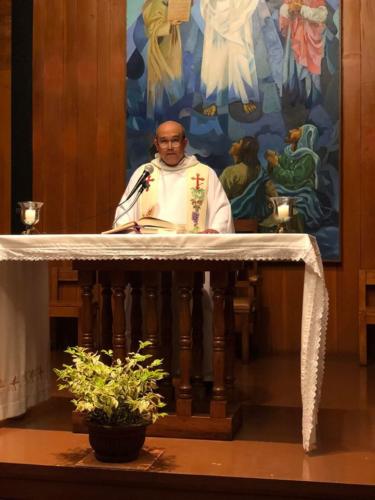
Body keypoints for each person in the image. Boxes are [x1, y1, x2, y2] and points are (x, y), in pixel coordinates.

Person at [115, 121, 234, 233]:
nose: (170, 147)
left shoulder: (205, 173)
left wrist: (216, 229)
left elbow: (222, 209)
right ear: (156, 144)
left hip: (192, 247)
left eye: (175, 140)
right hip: (151, 248)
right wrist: (128, 231)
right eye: (164, 141)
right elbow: (125, 211)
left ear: (185, 143)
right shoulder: (144, 173)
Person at [199, 0, 283, 116]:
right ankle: (213, 98)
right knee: (216, 57)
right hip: (217, 10)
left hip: (241, 9)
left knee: (241, 54)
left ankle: (245, 96)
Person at [265, 123, 323, 229]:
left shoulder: (308, 158)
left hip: (300, 195)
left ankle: (283, 231)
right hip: (286, 192)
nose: (290, 130)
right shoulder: (290, 154)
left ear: (304, 137)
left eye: (296, 130)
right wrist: (273, 159)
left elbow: (294, 179)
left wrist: (276, 164)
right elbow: (280, 170)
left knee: (284, 214)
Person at [279, 0, 328, 106]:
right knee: (295, 68)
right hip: (295, 38)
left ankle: (311, 99)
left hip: (310, 39)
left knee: (309, 72)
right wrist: (289, 9)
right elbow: (283, 10)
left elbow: (322, 15)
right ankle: (297, 96)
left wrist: (302, 9)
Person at [219, 136, 277, 220]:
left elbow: (219, 198)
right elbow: (274, 196)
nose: (233, 143)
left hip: (232, 221)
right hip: (256, 223)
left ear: (244, 148)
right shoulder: (261, 172)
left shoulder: (230, 172)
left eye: (238, 142)